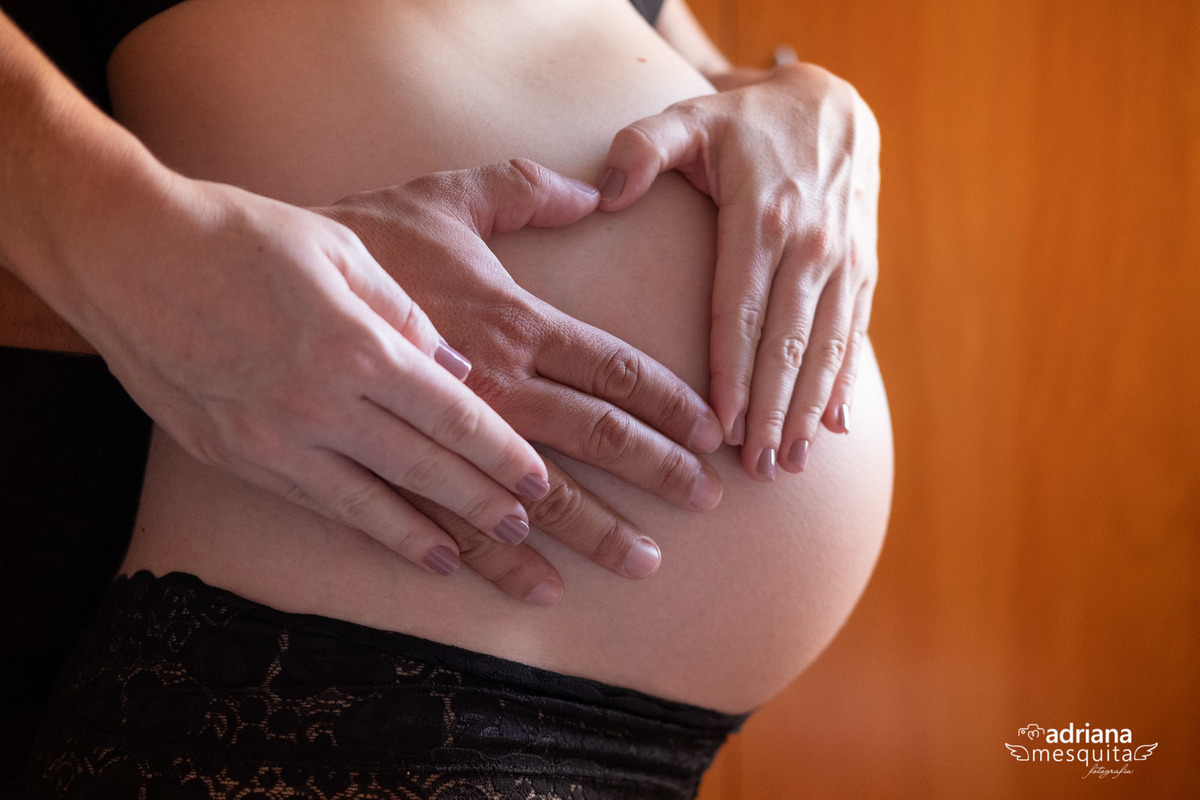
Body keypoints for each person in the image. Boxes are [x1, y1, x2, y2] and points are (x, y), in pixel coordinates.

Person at [9, 0, 892, 796]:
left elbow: (687, 58)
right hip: (339, 675)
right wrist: (168, 270)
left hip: (666, 735)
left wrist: (814, 100)